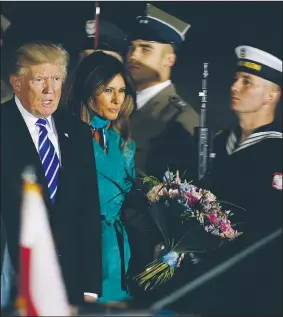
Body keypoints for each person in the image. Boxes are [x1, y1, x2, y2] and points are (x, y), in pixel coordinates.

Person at [167, 45, 282, 316]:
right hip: (206, 279)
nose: (234, 87)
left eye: (247, 82)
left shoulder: (276, 152)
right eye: (234, 79)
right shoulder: (217, 143)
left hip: (255, 286)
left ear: (272, 94)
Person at [0, 42, 102, 308]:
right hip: (12, 280)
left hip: (66, 280)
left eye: (56, 79)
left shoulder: (77, 132)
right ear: (16, 83)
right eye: (39, 79)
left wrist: (91, 285)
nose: (50, 89)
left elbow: (89, 210)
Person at [66, 51, 136, 304]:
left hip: (118, 249)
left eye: (122, 91)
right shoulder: (66, 137)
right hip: (81, 249)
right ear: (88, 90)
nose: (118, 100)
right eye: (108, 91)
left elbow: (133, 204)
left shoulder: (125, 145)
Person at [126, 4, 199, 180]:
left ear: (169, 59)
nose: (133, 55)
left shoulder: (181, 117)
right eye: (131, 47)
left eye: (145, 48)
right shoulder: (121, 103)